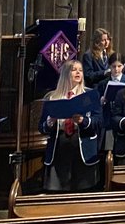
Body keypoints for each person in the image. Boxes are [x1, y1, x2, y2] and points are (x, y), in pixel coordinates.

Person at [39, 60, 101, 191]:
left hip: (82, 148)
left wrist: (83, 121)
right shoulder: (53, 97)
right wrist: (49, 123)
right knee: (59, 192)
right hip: (59, 149)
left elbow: (98, 122)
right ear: (65, 74)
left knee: (83, 191)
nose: (78, 72)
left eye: (80, 70)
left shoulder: (88, 95)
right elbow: (42, 127)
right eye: (74, 70)